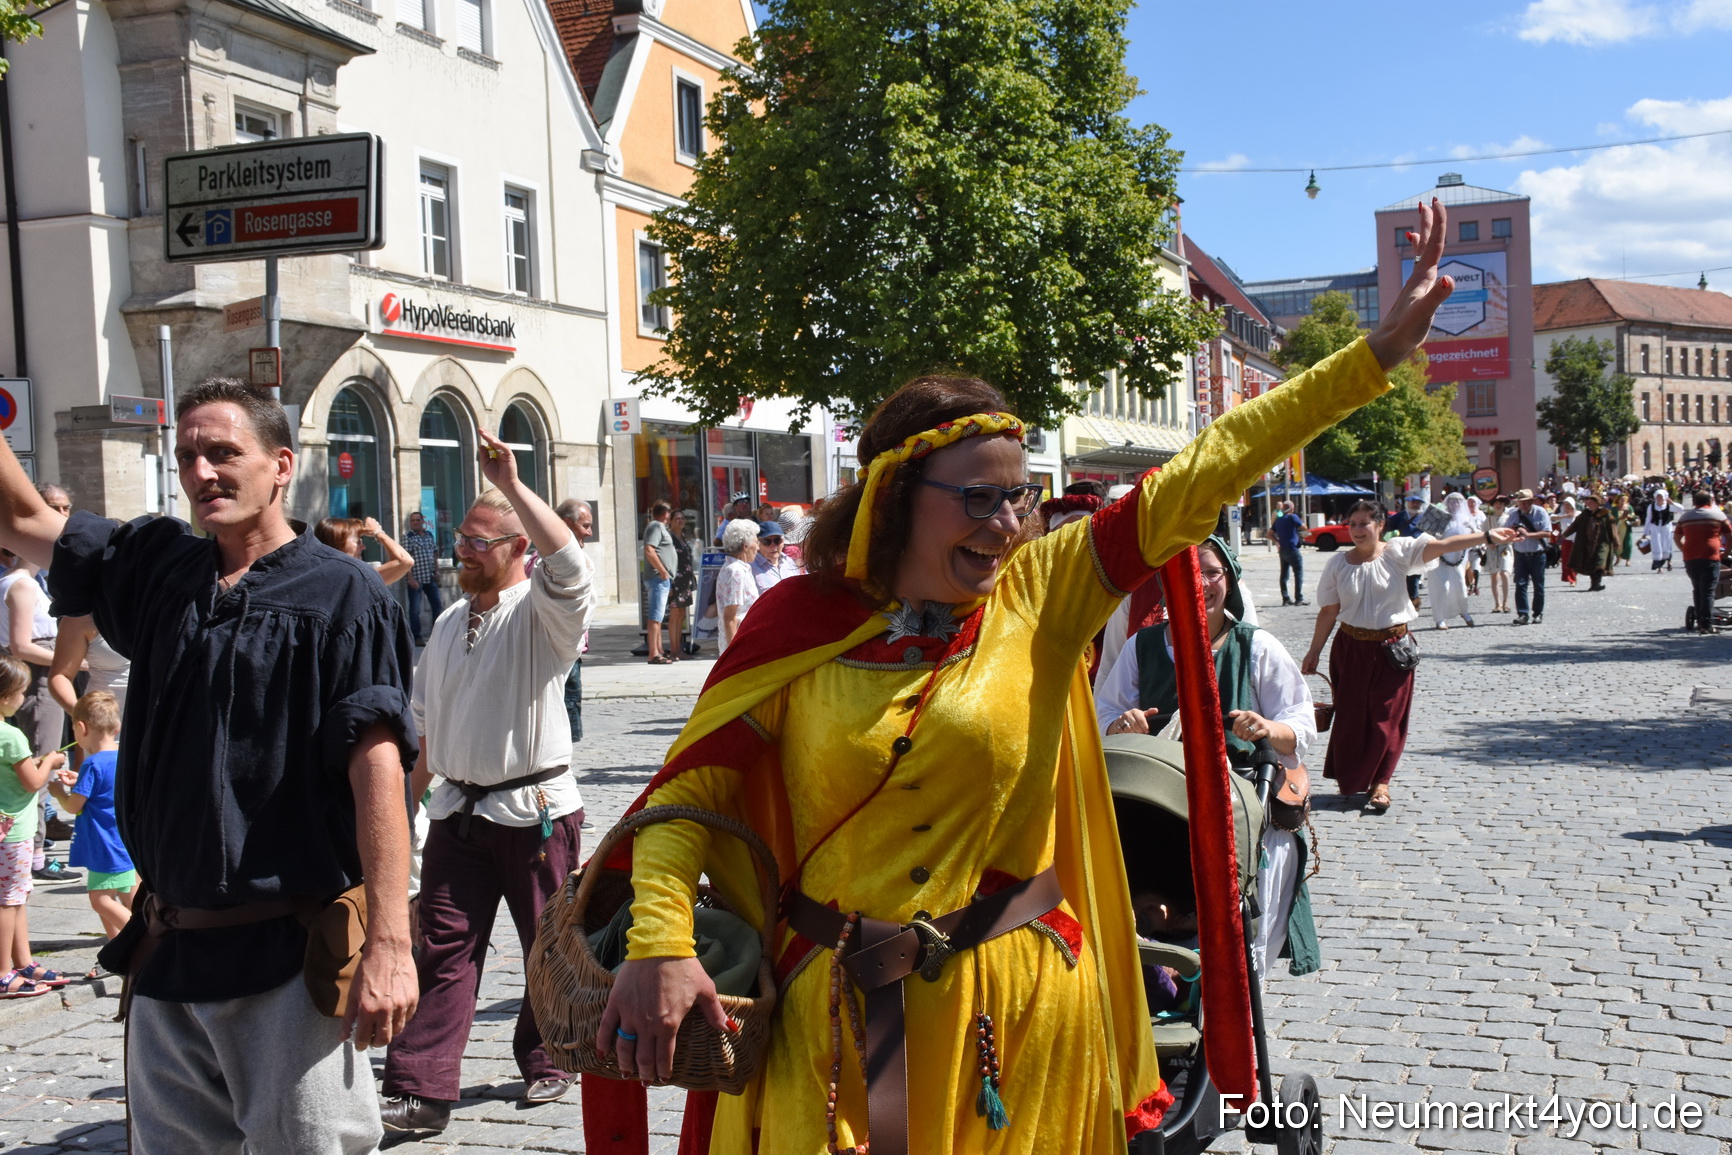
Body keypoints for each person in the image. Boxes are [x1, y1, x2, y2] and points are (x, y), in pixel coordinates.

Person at [585, 197, 1460, 1154]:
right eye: (979, 499)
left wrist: (1371, 357)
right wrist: (661, 940)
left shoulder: (1042, 592)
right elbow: (684, 806)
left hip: (1021, 1015)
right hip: (830, 1024)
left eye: (1020, 497)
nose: (1009, 525)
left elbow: (1207, 468)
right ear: (890, 499)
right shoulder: (796, 626)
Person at [0, 376, 418, 1153]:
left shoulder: (345, 594)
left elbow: (380, 770)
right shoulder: (162, 569)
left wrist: (391, 943)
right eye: (189, 454)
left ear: (282, 464)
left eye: (225, 452)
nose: (202, 472)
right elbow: (23, 514)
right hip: (169, 956)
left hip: (289, 965)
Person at [380, 439, 596, 1135]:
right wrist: (401, 804)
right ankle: (420, 1087)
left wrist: (511, 480)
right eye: (459, 540)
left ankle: (551, 1056)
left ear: (515, 547)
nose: (461, 551)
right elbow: (422, 729)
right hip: (456, 814)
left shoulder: (543, 614)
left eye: (476, 541)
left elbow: (569, 564)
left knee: (549, 946)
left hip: (532, 812)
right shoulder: (446, 621)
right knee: (442, 948)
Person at [1093, 536, 1318, 978]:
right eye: (1185, 574)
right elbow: (1103, 713)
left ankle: (1238, 1025)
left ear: (1228, 580)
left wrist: (1269, 728)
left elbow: (1301, 722)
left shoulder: (1256, 646)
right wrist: (1122, 724)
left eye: (1211, 572)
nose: (1199, 582)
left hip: (1241, 815)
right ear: (1166, 585)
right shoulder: (1143, 647)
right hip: (1158, 815)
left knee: (1238, 940)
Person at [1300, 501, 1519, 813]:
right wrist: (1314, 652)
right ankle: (1355, 777)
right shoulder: (1338, 564)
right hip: (1349, 647)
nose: (1358, 530)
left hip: (1393, 648)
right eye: (1353, 523)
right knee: (1351, 717)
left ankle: (1381, 783)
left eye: (1365, 523)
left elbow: (1443, 545)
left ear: (1380, 526)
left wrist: (1486, 537)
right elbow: (1328, 611)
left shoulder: (1397, 552)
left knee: (1385, 718)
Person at [45, 691, 133, 975]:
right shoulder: (122, 756)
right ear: (116, 727)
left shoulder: (93, 763)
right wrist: (78, 780)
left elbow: (74, 805)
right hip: (122, 842)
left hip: (103, 845)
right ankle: (116, 951)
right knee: (124, 895)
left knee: (100, 900)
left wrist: (58, 792)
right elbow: (100, 791)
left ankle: (141, 940)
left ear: (81, 728)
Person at [0, 654, 70, 997]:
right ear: (5, 696)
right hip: (12, 833)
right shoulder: (11, 736)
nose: (23, 698)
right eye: (21, 692)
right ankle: (3, 973)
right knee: (9, 902)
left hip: (9, 832)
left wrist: (34, 764)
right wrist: (52, 762)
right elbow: (33, 782)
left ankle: (23, 960)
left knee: (17, 896)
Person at [0, 548, 70, 881]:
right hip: (38, 679)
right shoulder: (23, 585)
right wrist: (73, 664)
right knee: (41, 761)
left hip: (34, 678)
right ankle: (36, 855)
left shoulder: (26, 582)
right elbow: (21, 645)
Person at [554, 498, 595, 737]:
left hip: (573, 648)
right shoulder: (553, 562)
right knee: (565, 712)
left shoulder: (578, 559)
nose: (589, 533)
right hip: (561, 650)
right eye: (585, 525)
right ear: (567, 523)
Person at [1673, 490, 1728, 635]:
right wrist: (1726, 553)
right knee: (1708, 591)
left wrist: (1684, 549)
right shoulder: (1718, 515)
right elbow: (1730, 535)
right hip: (1711, 556)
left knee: (1697, 588)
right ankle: (1706, 624)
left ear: (1693, 503)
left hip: (1691, 557)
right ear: (1710, 501)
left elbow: (1677, 537)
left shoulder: (1685, 517)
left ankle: (1700, 621)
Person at [315, 516, 416, 585]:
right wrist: (378, 532)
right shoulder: (353, 577)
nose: (363, 547)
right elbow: (405, 561)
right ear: (337, 544)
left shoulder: (318, 575)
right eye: (358, 542)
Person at [1503, 488, 1552, 626]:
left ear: (1532, 501)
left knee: (1538, 585)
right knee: (1520, 584)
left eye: (1527, 502)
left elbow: (1548, 533)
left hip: (1537, 554)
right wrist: (1512, 530)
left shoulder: (1540, 512)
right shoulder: (1514, 514)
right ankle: (1523, 614)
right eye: (1522, 502)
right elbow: (1506, 532)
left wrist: (1528, 534)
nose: (1524, 505)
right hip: (1520, 555)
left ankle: (1537, 613)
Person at [1429, 493, 1476, 628]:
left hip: (1458, 560)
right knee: (1443, 588)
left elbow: (1475, 539)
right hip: (1440, 559)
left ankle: (1464, 612)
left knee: (1461, 587)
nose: (1454, 505)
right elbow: (1431, 536)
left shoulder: (1466, 519)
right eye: (1451, 502)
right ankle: (1439, 618)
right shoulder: (1440, 518)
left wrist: (1472, 530)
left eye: (1458, 502)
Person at [713, 517, 760, 653]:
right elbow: (730, 617)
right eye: (756, 542)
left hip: (745, 641)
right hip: (739, 645)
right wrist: (733, 654)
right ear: (745, 546)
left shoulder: (739, 568)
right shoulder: (736, 571)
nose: (758, 547)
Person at [642, 500, 677, 665]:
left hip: (662, 578)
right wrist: (663, 571)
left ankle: (659, 649)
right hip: (658, 577)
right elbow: (649, 549)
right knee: (655, 617)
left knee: (658, 616)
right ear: (666, 513)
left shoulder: (658, 527)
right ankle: (653, 653)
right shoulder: (656, 526)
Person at [1559, 493, 1615, 592]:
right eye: (1588, 502)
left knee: (1600, 562)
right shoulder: (1585, 514)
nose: (1589, 504)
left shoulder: (1605, 514)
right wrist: (1563, 535)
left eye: (1592, 502)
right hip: (1587, 543)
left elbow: (1612, 528)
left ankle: (1597, 583)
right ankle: (1594, 585)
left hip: (1603, 542)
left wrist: (1616, 541)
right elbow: (1574, 526)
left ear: (1597, 503)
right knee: (1591, 564)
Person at [403, 511, 444, 645]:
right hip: (416, 578)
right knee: (415, 610)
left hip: (430, 577)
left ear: (422, 521)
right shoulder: (408, 537)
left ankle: (436, 635)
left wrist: (437, 571)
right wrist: (410, 578)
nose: (414, 522)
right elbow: (406, 559)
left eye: (417, 520)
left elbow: (434, 554)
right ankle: (417, 637)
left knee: (437, 605)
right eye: (412, 520)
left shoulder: (429, 535)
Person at [663, 509, 697, 660]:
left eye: (682, 518)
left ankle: (678, 650)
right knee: (675, 615)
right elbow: (664, 559)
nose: (680, 521)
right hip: (675, 580)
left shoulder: (683, 537)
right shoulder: (668, 538)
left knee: (682, 614)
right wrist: (668, 582)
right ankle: (674, 650)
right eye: (677, 519)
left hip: (686, 581)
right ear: (670, 521)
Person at [1386, 494, 1428, 610]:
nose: (1415, 505)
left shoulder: (1424, 517)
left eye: (1418, 503)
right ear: (1408, 503)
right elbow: (1387, 526)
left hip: (1418, 550)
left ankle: (1414, 601)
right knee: (1402, 577)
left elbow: (1433, 532)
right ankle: (1402, 601)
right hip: (1401, 551)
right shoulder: (1400, 516)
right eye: (1413, 502)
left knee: (1414, 577)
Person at [1272, 500, 1307, 606]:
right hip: (1292, 549)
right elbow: (1304, 527)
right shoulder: (1293, 517)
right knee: (1298, 573)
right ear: (1292, 508)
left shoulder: (1279, 520)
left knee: (1284, 575)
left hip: (1282, 550)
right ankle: (1299, 599)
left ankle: (1285, 599)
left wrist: (1278, 542)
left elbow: (1269, 534)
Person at [750, 520, 800, 592]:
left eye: (777, 540)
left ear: (783, 542)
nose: (773, 546)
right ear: (758, 543)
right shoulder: (751, 568)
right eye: (767, 542)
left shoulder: (789, 562)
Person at [1644, 488, 1676, 572]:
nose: (1659, 498)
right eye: (1658, 496)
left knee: (1667, 544)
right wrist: (1645, 532)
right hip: (1655, 527)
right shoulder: (1652, 506)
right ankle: (1659, 566)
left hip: (1666, 527)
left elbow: (1680, 509)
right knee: (1657, 545)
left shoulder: (1668, 505)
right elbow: (1648, 518)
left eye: (1661, 496)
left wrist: (1672, 502)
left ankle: (1669, 561)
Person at [1555, 497, 1578, 585]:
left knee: (1576, 560)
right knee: (1567, 560)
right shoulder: (1561, 515)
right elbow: (1552, 518)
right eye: (1565, 505)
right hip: (1567, 540)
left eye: (1569, 505)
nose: (1567, 507)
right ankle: (1571, 579)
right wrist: (1566, 516)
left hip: (1577, 541)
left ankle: (1575, 575)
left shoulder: (1578, 514)